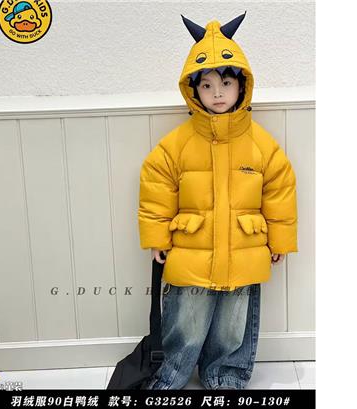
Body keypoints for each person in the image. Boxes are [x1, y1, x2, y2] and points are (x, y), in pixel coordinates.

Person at [137, 12, 298, 389]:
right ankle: (172, 375)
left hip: (245, 249)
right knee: (186, 320)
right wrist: (157, 237)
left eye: (226, 83)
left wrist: (280, 240)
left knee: (232, 324)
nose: (218, 93)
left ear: (243, 86)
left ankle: (226, 375)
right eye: (207, 86)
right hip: (190, 248)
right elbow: (157, 187)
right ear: (193, 91)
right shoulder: (176, 145)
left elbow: (279, 190)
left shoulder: (261, 144)